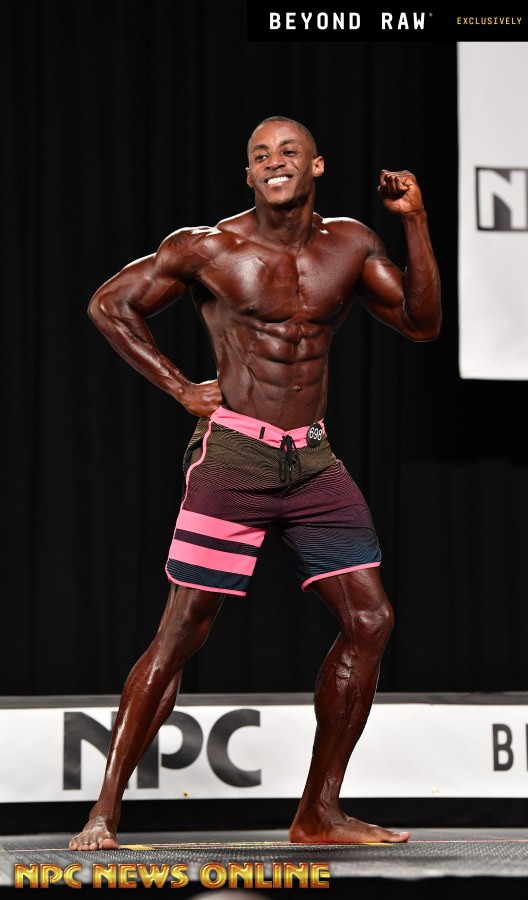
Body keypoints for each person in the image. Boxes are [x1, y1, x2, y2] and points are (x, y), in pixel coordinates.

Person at [69, 115, 441, 850]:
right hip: (234, 456)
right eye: (261, 155)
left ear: (316, 166)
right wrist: (181, 388)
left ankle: (318, 814)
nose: (276, 162)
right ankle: (103, 813)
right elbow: (109, 305)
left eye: (289, 152)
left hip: (312, 461)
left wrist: (416, 222)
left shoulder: (350, 244)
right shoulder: (209, 247)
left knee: (371, 622)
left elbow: (421, 323)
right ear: (248, 175)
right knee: (182, 630)